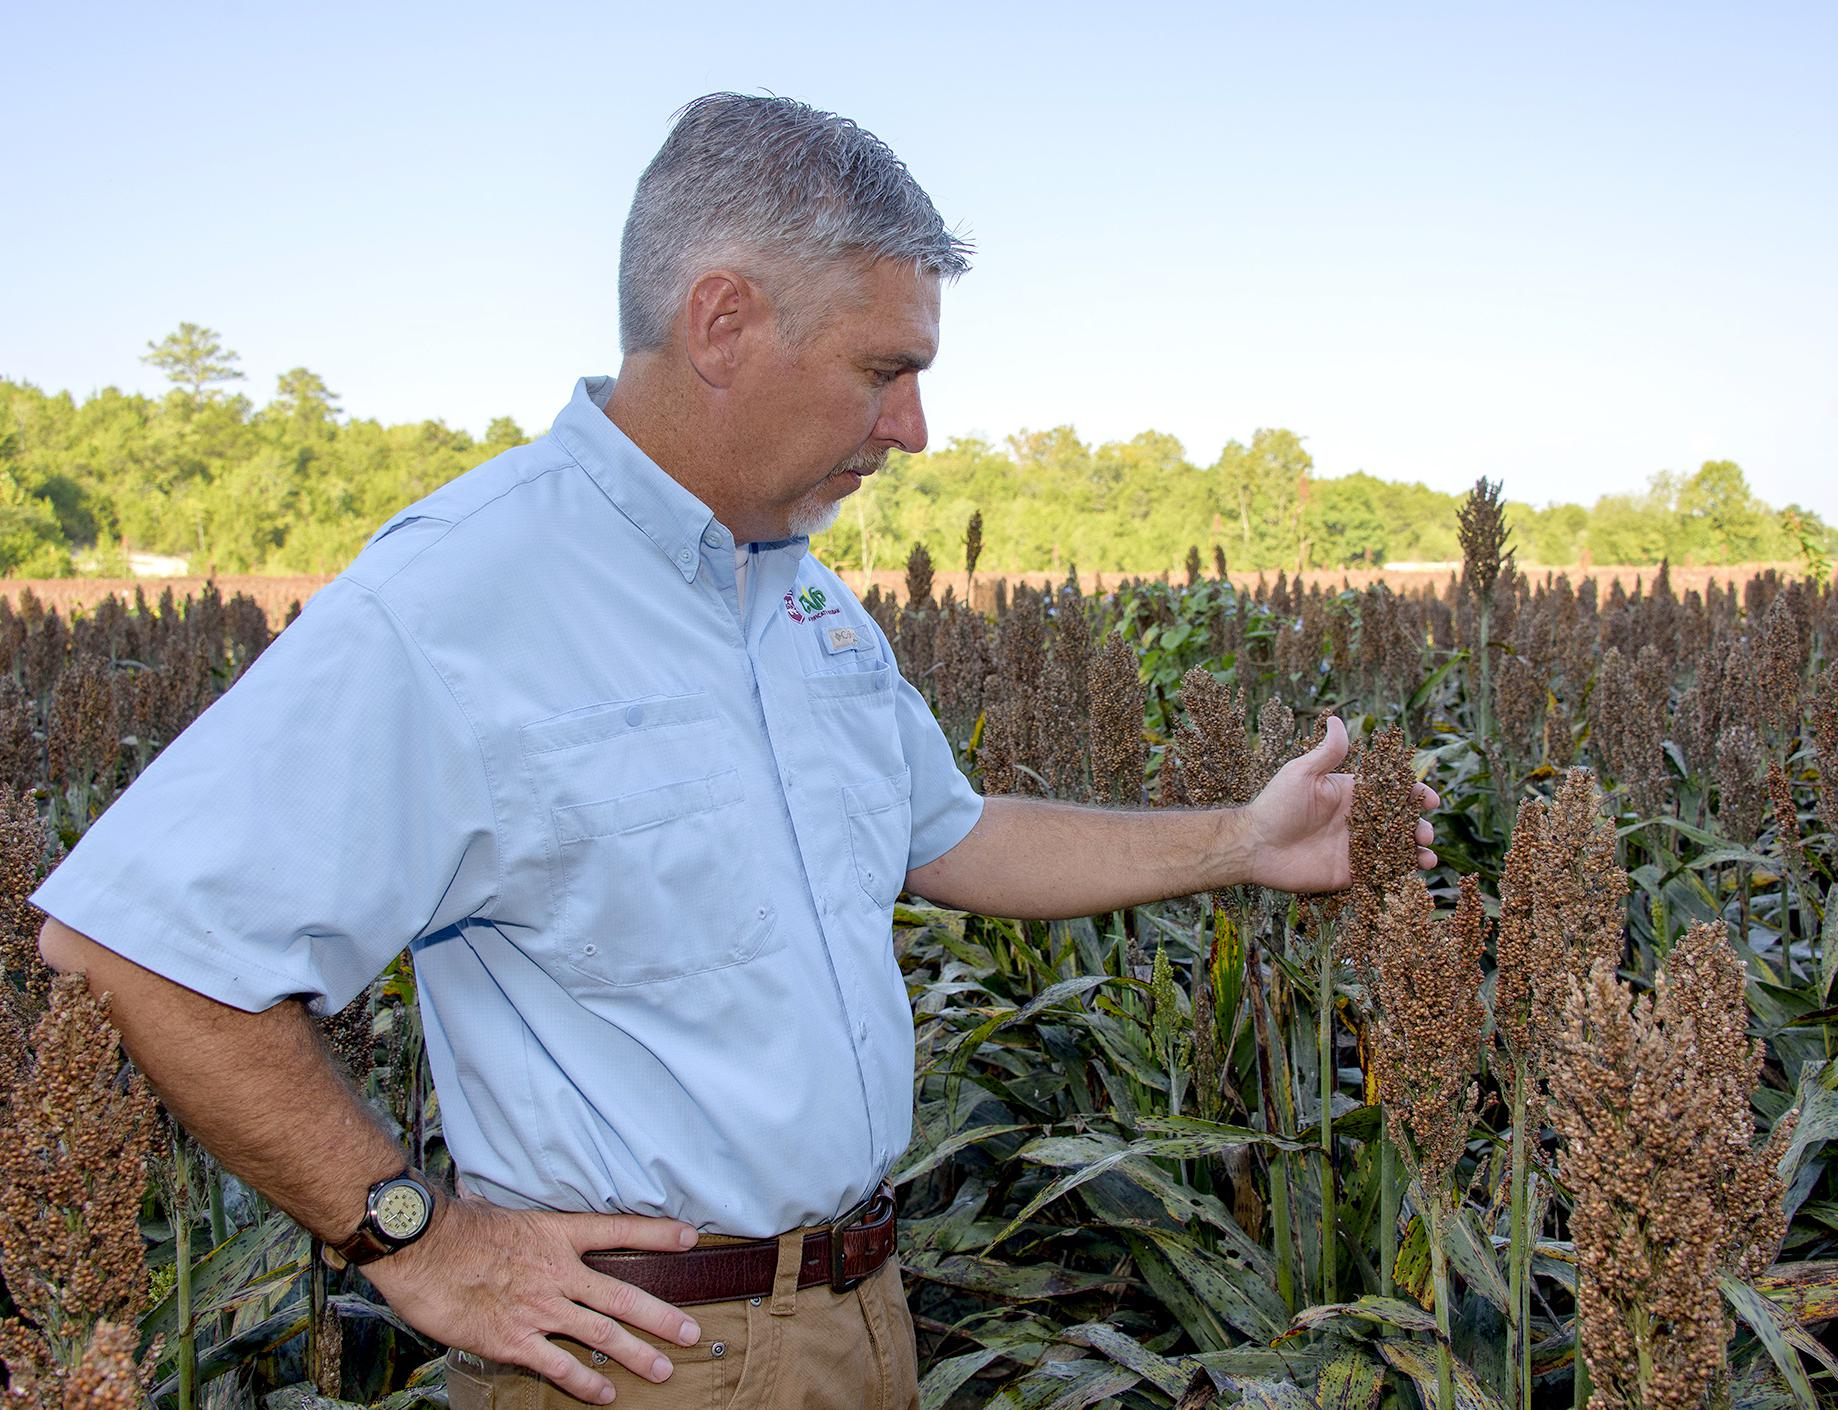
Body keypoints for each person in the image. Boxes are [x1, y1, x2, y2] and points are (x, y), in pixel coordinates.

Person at [36, 93, 1439, 1410]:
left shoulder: (795, 591)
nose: (914, 428)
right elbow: (136, 941)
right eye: (883, 371)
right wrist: (408, 1233)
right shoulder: (463, 597)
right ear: (722, 321)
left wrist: (1242, 839)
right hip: (642, 1355)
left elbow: (947, 836)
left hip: (857, 1314)